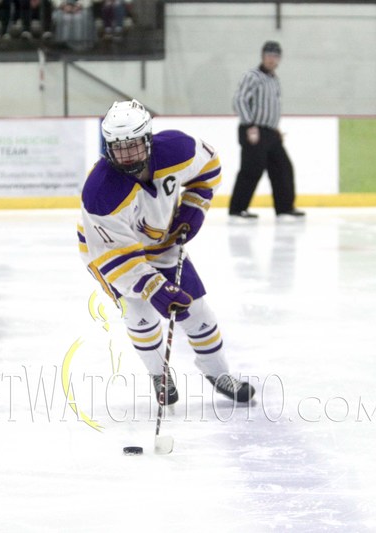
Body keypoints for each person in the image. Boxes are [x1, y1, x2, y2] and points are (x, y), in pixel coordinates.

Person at [78, 99, 255, 405]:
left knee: (196, 309)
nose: (127, 156)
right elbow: (114, 255)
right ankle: (159, 375)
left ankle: (219, 373)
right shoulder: (99, 191)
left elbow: (208, 168)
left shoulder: (178, 148)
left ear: (148, 138)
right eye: (118, 148)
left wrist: (194, 207)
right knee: (141, 314)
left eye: (133, 146)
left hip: (163, 243)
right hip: (111, 255)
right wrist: (155, 289)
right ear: (107, 148)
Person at [229, 40, 304, 220]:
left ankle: (285, 208)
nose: (272, 59)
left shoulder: (273, 79)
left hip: (271, 133)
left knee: (283, 168)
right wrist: (250, 125)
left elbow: (271, 106)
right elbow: (239, 100)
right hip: (254, 130)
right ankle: (237, 209)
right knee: (251, 170)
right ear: (263, 56)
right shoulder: (253, 76)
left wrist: (275, 128)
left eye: (275, 56)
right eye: (269, 55)